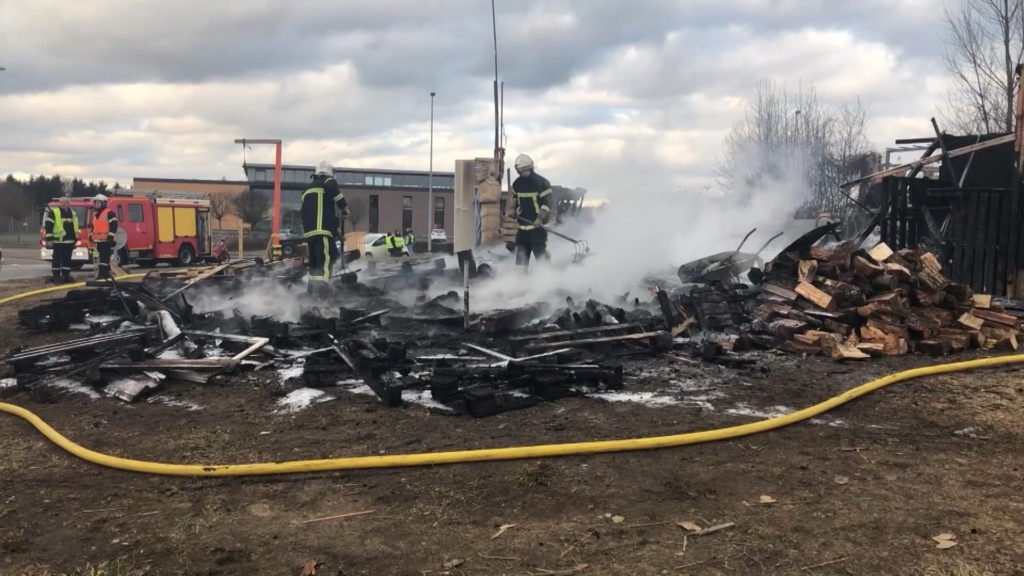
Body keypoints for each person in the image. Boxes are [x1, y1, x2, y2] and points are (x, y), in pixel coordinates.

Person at [301, 161, 348, 295]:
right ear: (329, 173)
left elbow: (322, 214)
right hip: (322, 232)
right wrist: (344, 207)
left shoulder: (306, 190)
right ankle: (322, 296)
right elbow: (333, 188)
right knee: (327, 262)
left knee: (316, 264)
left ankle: (310, 293)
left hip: (311, 233)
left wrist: (337, 234)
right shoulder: (327, 182)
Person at [511, 153, 552, 271]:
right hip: (523, 228)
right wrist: (513, 209)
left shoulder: (542, 183)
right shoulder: (517, 184)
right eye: (522, 170)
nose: (525, 172)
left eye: (527, 169)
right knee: (521, 255)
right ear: (518, 170)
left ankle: (549, 277)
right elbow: (515, 198)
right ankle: (520, 282)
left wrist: (540, 218)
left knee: (539, 251)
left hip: (538, 227)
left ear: (532, 167)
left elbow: (547, 203)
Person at [43, 195, 80, 283]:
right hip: (58, 241)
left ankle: (66, 276)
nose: (63, 204)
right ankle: (56, 277)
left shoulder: (72, 213)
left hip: (69, 241)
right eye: (61, 202)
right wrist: (49, 239)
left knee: (67, 260)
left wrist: (76, 239)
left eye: (65, 202)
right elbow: (49, 226)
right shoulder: (54, 212)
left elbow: (75, 226)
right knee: (57, 260)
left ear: (68, 203)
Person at [90, 194, 119, 280]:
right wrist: (91, 236)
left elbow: (114, 225)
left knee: (104, 258)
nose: (97, 205)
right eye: (96, 203)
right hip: (98, 241)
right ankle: (104, 274)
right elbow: (93, 227)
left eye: (99, 203)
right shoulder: (95, 214)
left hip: (106, 240)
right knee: (100, 259)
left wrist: (110, 236)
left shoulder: (109, 213)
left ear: (104, 203)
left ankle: (103, 274)